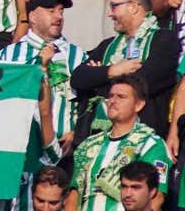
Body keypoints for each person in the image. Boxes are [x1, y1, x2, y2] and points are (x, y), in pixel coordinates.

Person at [70, 0, 178, 137]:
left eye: (114, 6)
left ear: (133, 6)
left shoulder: (164, 39)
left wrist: (98, 81)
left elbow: (144, 84)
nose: (110, 13)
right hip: (98, 137)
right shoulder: (107, 45)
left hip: (142, 139)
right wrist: (114, 70)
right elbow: (78, 78)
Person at [0, 0, 89, 157]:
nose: (58, 16)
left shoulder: (78, 55)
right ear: (32, 16)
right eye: (51, 11)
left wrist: (78, 133)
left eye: (61, 11)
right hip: (22, 147)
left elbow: (90, 101)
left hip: (66, 148)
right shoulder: (8, 56)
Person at [67, 76, 169, 211]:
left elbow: (156, 198)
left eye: (121, 97)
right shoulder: (89, 145)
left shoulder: (150, 144)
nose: (113, 101)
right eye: (111, 96)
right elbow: (74, 196)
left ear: (139, 105)